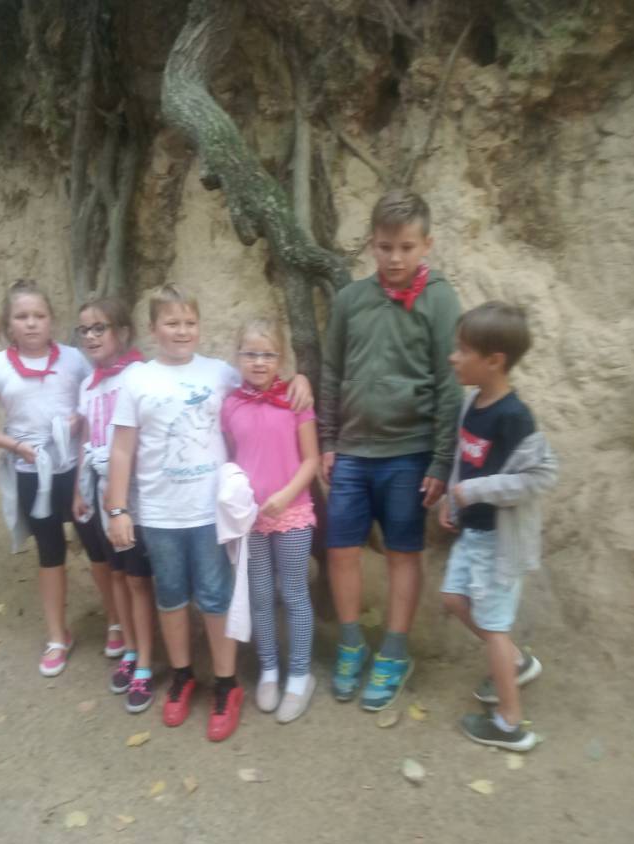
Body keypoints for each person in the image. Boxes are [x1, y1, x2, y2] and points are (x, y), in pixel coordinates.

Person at [106, 284, 312, 742]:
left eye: (190, 323)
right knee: (171, 597)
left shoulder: (220, 373)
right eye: (172, 323)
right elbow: (121, 449)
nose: (182, 331)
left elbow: (267, 376)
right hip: (159, 512)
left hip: (210, 513)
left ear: (200, 326)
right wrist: (117, 508)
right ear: (153, 328)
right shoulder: (137, 380)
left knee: (217, 597)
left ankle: (226, 683)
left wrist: (301, 379)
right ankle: (182, 676)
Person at [318, 189, 462, 710]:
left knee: (403, 551)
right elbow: (331, 371)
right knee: (340, 549)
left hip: (409, 453)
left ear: (426, 244)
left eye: (406, 247)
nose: (395, 258)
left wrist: (441, 460)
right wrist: (328, 440)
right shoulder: (350, 300)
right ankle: (351, 643)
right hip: (352, 451)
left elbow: (449, 384)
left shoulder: (440, 300)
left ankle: (395, 651)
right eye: (384, 247)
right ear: (371, 245)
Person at [0, 279, 118, 677]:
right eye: (22, 316)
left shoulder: (73, 359)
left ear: (52, 320)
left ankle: (116, 621)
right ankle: (57, 636)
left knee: (97, 547)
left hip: (77, 471)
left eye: (39, 315)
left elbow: (97, 397)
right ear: (8, 323)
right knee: (50, 553)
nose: (31, 323)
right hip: (33, 473)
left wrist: (78, 421)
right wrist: (16, 446)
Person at [440, 301, 558, 751]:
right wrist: (452, 497)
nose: (453, 357)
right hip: (472, 532)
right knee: (454, 599)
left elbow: (538, 477)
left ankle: (510, 724)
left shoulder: (515, 417)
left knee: (492, 626)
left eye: (462, 350)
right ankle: (516, 662)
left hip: (499, 541)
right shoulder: (472, 402)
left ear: (494, 360)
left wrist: (474, 491)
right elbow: (464, 456)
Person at [222, 318, 319, 723]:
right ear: (238, 357)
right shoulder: (230, 405)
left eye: (268, 354)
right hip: (251, 521)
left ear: (281, 359)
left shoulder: (296, 401)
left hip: (293, 514)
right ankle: (269, 669)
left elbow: (311, 459)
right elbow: (232, 457)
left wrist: (285, 495)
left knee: (294, 593)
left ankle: (299, 675)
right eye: (250, 354)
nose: (259, 362)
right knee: (259, 596)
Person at [72, 297, 156, 713]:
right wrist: (78, 489)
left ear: (122, 332)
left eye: (99, 328)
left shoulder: (139, 376)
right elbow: (85, 439)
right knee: (118, 574)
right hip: (101, 497)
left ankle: (145, 664)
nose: (90, 336)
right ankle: (130, 648)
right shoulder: (87, 385)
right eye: (84, 330)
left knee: (139, 580)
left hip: (133, 497)